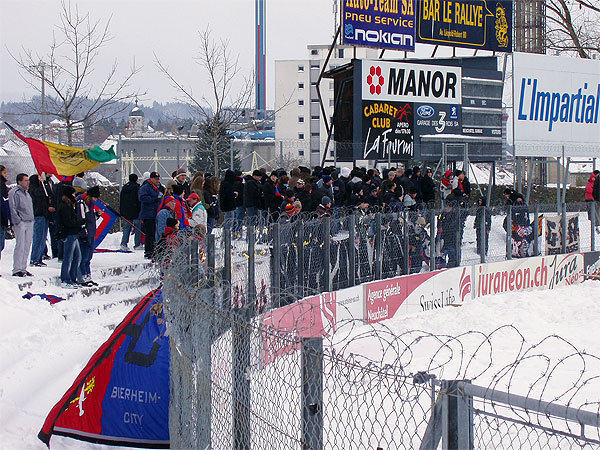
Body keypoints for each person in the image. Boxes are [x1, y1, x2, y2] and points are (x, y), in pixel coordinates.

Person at [56, 186, 84, 288]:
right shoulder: (64, 206)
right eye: (73, 194)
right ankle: (65, 279)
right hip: (69, 234)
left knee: (77, 257)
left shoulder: (70, 205)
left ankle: (72, 277)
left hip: (74, 233)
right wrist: (80, 223)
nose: (75, 196)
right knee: (68, 257)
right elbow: (68, 222)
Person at [8, 173, 34, 277]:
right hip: (21, 222)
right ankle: (17, 268)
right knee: (20, 245)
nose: (28, 182)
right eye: (25, 180)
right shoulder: (15, 192)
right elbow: (12, 207)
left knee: (27, 245)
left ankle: (23, 267)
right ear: (19, 181)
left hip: (29, 221)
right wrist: (17, 221)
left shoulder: (27, 193)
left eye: (28, 180)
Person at [28, 174, 54, 267]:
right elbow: (38, 195)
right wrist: (42, 183)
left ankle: (38, 257)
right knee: (38, 238)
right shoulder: (34, 190)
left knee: (42, 238)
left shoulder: (41, 189)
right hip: (38, 215)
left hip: (44, 215)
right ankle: (34, 258)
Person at [138, 171, 164, 259]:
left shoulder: (159, 187)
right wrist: (153, 199)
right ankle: (148, 251)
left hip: (155, 213)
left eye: (158, 179)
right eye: (156, 179)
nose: (158, 180)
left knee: (154, 233)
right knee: (150, 233)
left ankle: (153, 250)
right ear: (151, 179)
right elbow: (142, 198)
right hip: (148, 214)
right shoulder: (146, 188)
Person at [78, 186, 100, 286]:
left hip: (91, 233)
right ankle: (82, 276)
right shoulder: (82, 203)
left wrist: (97, 215)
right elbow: (82, 219)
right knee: (84, 256)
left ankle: (88, 275)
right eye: (95, 198)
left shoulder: (90, 205)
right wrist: (84, 233)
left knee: (89, 257)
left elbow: (91, 219)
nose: (96, 200)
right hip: (86, 234)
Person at [119, 173, 142, 251]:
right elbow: (139, 200)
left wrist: (122, 212)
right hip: (136, 211)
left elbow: (121, 201)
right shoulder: (137, 188)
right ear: (136, 179)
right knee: (138, 228)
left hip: (126, 212)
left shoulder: (124, 188)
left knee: (127, 228)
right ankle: (137, 244)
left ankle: (124, 243)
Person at [0, 165, 10, 268]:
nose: (6, 175)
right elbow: (4, 204)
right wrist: (7, 218)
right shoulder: (1, 185)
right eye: (4, 173)